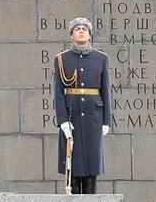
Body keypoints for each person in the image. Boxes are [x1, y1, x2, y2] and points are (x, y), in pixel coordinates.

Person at [53, 17, 112, 194]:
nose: (81, 31)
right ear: (71, 35)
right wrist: (63, 121)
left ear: (90, 34)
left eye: (84, 29)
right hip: (73, 116)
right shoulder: (62, 59)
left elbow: (106, 90)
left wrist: (106, 121)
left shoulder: (101, 58)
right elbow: (58, 92)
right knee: (74, 163)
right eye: (77, 29)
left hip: (94, 115)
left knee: (92, 163)